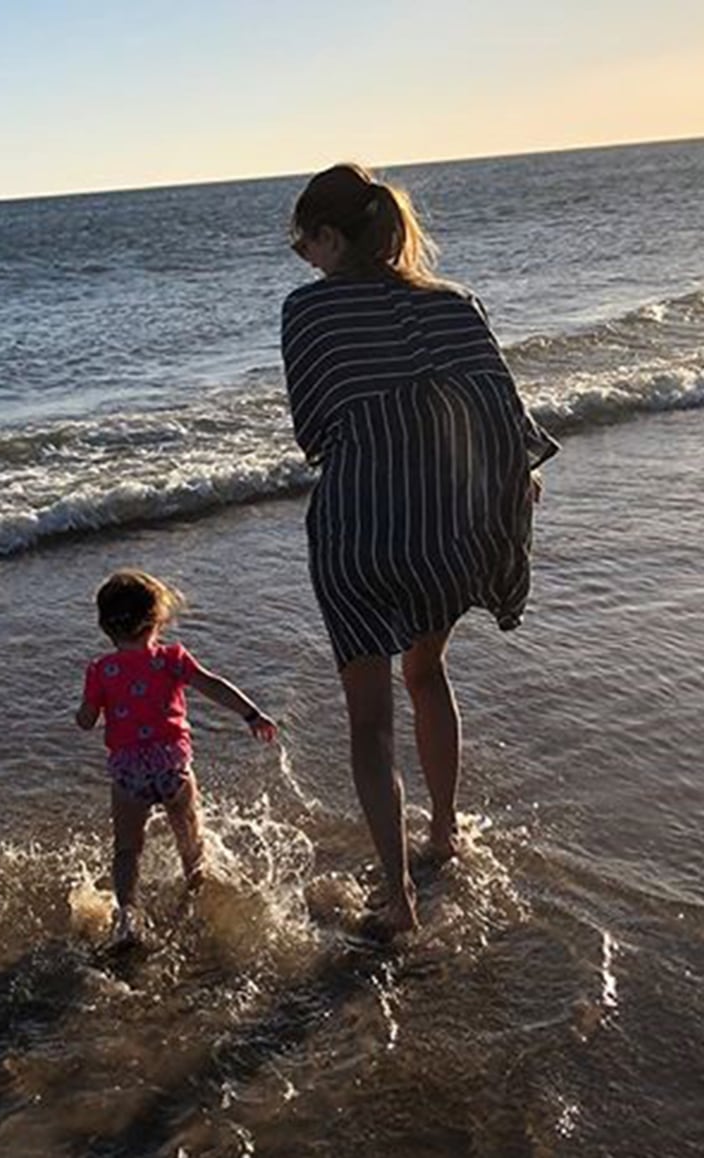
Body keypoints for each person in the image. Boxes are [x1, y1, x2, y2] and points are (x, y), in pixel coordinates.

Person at [281, 163, 559, 936]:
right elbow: (506, 417)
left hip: (360, 532)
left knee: (369, 721)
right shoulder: (456, 305)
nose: (305, 260)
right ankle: (444, 831)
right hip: (448, 529)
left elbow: (315, 435)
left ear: (332, 236)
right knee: (427, 672)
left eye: (306, 243)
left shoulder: (308, 313)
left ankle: (399, 902)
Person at [75, 569, 277, 944]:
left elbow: (86, 721)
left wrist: (85, 713)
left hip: (129, 771)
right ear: (156, 621)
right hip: (171, 764)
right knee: (190, 836)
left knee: (127, 848)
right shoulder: (171, 659)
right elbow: (214, 685)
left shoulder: (101, 670)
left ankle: (127, 917)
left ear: (105, 626)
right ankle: (194, 892)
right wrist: (251, 714)